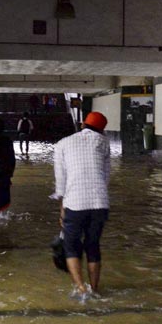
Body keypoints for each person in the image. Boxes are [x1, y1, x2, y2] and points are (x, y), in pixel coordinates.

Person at [52, 111, 110, 302]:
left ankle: (81, 289)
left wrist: (62, 207)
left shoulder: (62, 144)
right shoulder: (103, 143)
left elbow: (61, 181)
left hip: (75, 203)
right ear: (102, 129)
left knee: (71, 247)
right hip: (100, 202)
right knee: (93, 245)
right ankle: (95, 289)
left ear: (82, 124)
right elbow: (105, 175)